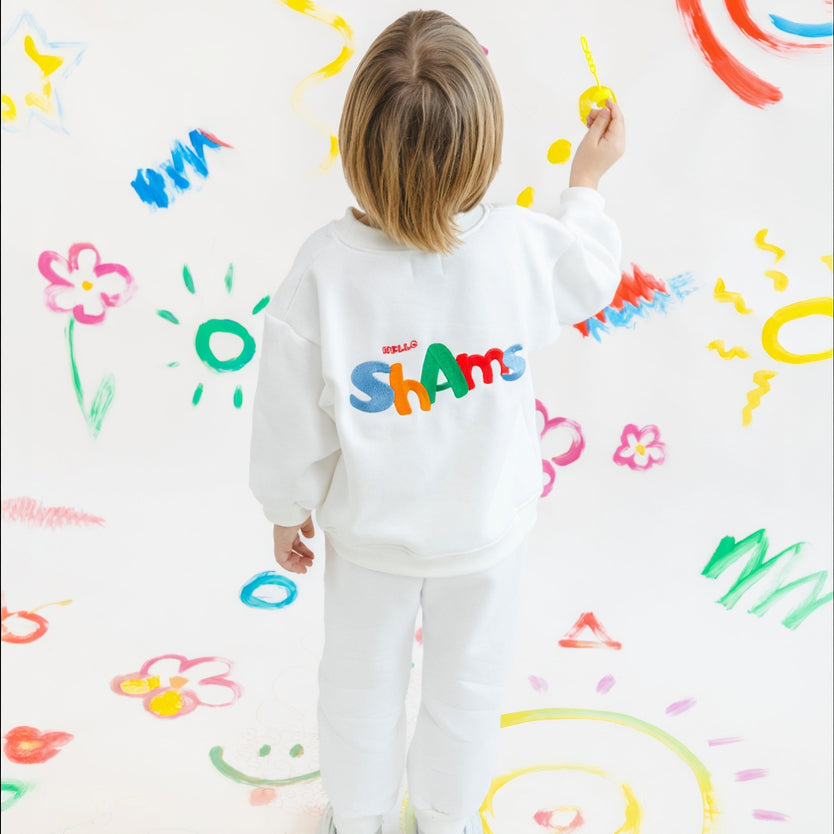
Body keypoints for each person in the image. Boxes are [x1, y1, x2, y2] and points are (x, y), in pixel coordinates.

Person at [249, 9, 625, 834]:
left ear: (357, 143)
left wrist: (286, 507)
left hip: (372, 538)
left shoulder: (323, 267)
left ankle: (360, 818)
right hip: (486, 537)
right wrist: (585, 184)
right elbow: (593, 273)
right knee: (469, 690)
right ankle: (447, 819)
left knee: (357, 690)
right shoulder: (523, 246)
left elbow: (286, 412)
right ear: (483, 147)